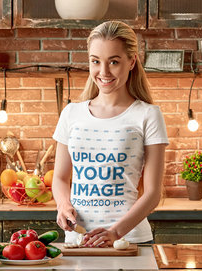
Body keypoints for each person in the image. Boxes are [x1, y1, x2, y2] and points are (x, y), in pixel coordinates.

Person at [52, 20, 168, 247]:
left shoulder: (147, 115)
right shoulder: (71, 113)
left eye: (114, 62)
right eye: (95, 61)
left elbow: (153, 194)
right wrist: (63, 205)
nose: (103, 72)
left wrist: (115, 232)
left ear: (132, 61)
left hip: (128, 241)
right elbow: (60, 177)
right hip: (78, 240)